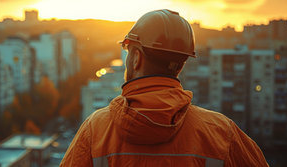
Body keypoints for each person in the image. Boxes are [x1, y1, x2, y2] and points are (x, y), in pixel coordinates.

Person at [60, 9, 269, 167]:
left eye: (128, 51)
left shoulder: (96, 131)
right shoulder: (221, 133)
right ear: (181, 64)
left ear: (136, 59)